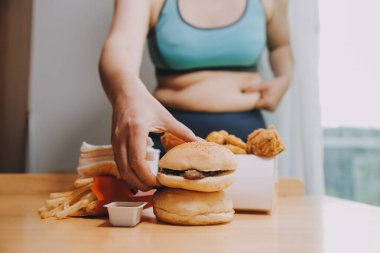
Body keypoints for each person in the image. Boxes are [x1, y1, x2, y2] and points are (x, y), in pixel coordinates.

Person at [99, 0, 293, 191]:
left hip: (246, 143)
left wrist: (284, 78)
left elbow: (280, 45)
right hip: (169, 139)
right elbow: (120, 48)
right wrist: (127, 94)